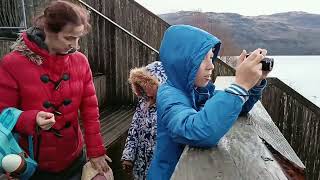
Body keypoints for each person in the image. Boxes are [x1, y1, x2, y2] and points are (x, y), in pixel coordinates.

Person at [0, 1, 111, 179]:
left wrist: (95, 150)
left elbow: (90, 109)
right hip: (33, 164)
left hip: (74, 157)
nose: (75, 46)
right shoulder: (12, 63)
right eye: (68, 38)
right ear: (48, 31)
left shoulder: (80, 61)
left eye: (78, 38)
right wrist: (31, 118)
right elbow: (2, 114)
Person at [147, 25, 270, 179]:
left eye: (211, 57)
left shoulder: (198, 91)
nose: (211, 65)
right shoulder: (169, 95)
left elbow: (237, 107)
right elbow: (195, 130)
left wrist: (252, 84)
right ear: (181, 61)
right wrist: (240, 85)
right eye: (202, 58)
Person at [121, 61, 167, 180]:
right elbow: (134, 130)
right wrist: (128, 156)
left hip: (157, 168)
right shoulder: (143, 104)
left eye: (148, 84)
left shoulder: (168, 109)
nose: (145, 88)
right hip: (140, 165)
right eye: (142, 84)